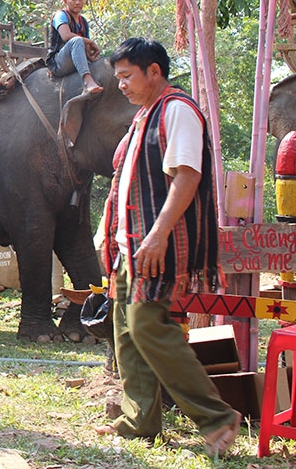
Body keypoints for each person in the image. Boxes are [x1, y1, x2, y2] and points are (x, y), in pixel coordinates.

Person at [97, 37, 239, 454]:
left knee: (146, 325)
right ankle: (139, 420)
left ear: (154, 72)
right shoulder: (145, 116)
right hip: (131, 243)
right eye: (118, 77)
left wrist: (157, 234)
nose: (120, 85)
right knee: (125, 330)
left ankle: (217, 417)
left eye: (127, 76)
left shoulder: (177, 110)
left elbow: (187, 177)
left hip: (157, 241)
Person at [47, 0, 103, 94]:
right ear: (65, 1)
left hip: (77, 60)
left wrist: (93, 58)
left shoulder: (83, 22)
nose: (77, 2)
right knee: (77, 40)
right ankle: (87, 81)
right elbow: (66, 36)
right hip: (59, 62)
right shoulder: (61, 15)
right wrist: (90, 42)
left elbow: (84, 48)